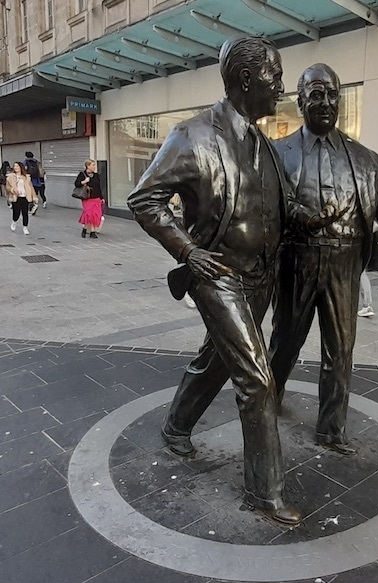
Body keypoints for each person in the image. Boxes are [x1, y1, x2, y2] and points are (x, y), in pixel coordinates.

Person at [128, 35, 335, 525]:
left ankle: (177, 427)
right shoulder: (192, 135)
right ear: (247, 80)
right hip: (217, 275)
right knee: (257, 380)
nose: (281, 88)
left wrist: (315, 217)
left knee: (215, 360)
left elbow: (278, 204)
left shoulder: (262, 142)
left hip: (260, 275)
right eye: (275, 78)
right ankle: (264, 493)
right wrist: (187, 251)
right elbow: (144, 200)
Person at [269, 63, 378, 456]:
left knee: (340, 350)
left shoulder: (365, 159)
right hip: (297, 262)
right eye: (316, 95)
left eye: (333, 95)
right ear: (301, 101)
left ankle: (331, 429)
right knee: (285, 343)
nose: (326, 103)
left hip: (345, 264)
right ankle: (267, 403)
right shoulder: (278, 155)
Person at [75, 160, 104, 239]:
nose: (94, 167)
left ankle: (92, 231)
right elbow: (76, 184)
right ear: (88, 166)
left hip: (96, 197)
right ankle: (84, 229)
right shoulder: (82, 174)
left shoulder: (96, 175)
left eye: (94, 165)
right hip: (87, 197)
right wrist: (84, 181)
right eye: (93, 165)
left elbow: (99, 187)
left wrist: (101, 197)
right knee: (88, 214)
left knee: (95, 214)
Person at [5, 161, 34, 235]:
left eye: (17, 166)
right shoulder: (10, 177)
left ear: (21, 167)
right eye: (14, 166)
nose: (16, 168)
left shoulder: (26, 177)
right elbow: (7, 187)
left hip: (25, 196)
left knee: (25, 213)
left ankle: (25, 227)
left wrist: (34, 196)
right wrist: (13, 190)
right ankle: (14, 222)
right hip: (16, 197)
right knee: (16, 212)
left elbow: (30, 187)